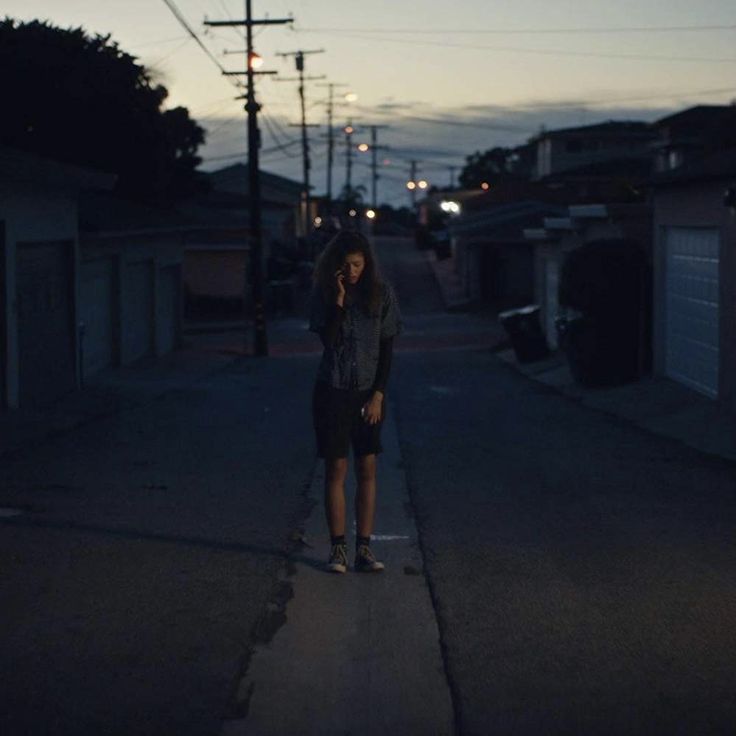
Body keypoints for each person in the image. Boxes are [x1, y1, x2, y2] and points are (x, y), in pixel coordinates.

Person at [309, 230, 402, 574]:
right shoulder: (325, 293)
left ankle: (364, 548)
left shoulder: (382, 294)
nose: (353, 271)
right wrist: (339, 299)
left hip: (368, 393)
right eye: (346, 265)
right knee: (336, 468)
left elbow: (387, 349)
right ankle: (338, 550)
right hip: (332, 390)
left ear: (368, 263)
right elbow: (328, 340)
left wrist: (378, 394)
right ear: (336, 266)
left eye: (358, 265)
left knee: (367, 467)